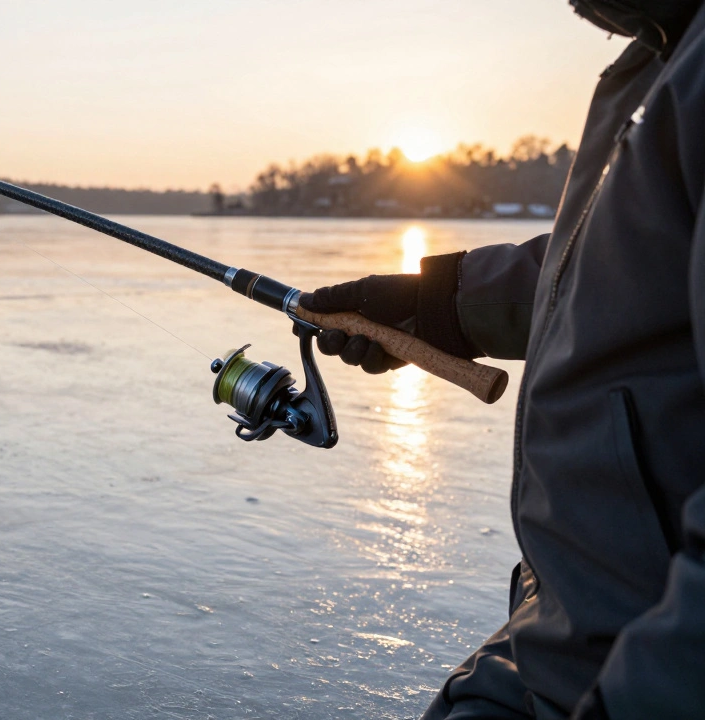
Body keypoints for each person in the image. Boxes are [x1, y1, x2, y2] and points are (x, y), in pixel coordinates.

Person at [299, 2, 705, 717]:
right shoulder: (659, 61)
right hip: (568, 637)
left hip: (637, 667)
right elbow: (625, 268)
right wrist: (438, 305)